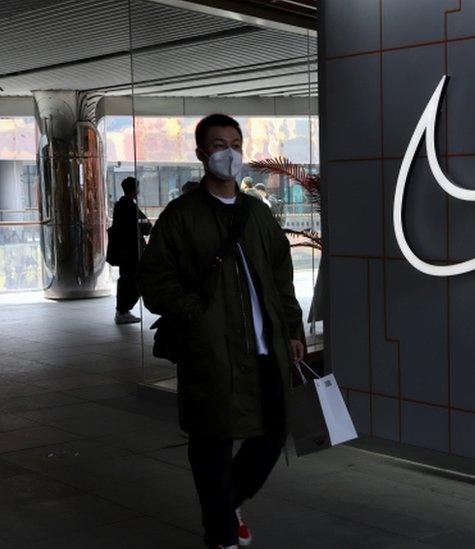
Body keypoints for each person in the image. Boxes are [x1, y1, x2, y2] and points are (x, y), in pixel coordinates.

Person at [138, 114, 306, 549]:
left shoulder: (257, 213)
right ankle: (221, 534)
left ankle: (228, 502)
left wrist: (292, 329)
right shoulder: (182, 216)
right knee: (212, 444)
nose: (228, 153)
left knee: (271, 435)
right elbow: (155, 281)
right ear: (201, 154)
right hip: (211, 351)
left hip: (266, 348)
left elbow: (280, 277)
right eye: (217, 145)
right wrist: (199, 316)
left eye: (234, 143)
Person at [107, 176, 151, 324]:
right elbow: (146, 225)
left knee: (126, 278)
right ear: (135, 189)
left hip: (124, 251)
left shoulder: (120, 205)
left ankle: (122, 310)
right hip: (131, 251)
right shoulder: (130, 206)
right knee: (133, 279)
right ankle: (123, 310)